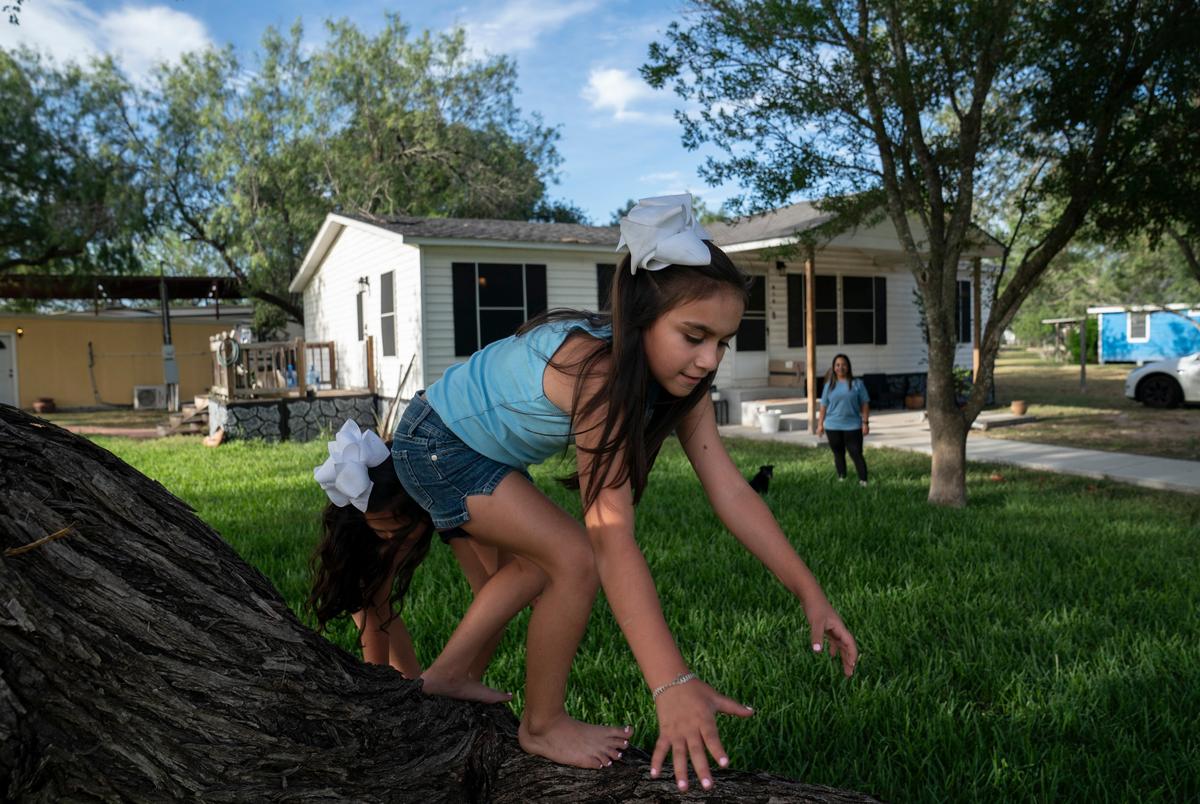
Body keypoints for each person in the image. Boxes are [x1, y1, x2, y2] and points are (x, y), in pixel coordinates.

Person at [390, 194, 858, 790]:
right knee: (574, 557)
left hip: (481, 446)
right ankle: (541, 724)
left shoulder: (677, 383)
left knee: (537, 566)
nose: (708, 359)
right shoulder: (600, 375)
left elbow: (733, 493)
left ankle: (449, 674)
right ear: (640, 317)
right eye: (694, 335)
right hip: (437, 441)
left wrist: (808, 590)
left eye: (723, 342)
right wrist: (672, 681)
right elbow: (612, 540)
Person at [309, 421, 544, 681]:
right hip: (464, 462)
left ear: (419, 508)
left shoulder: (454, 504)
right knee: (369, 592)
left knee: (507, 590)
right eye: (382, 534)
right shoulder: (377, 530)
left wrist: (466, 680)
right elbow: (374, 609)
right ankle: (409, 683)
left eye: (399, 535)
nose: (392, 543)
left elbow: (490, 599)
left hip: (488, 477)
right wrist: (381, 682)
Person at [816, 354, 871, 486]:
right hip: (832, 426)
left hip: (853, 426)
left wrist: (865, 422)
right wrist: (820, 425)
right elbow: (823, 406)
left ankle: (863, 481)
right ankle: (842, 478)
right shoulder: (828, 386)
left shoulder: (857, 384)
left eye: (844, 364)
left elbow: (865, 404)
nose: (841, 367)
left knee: (856, 453)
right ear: (834, 368)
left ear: (848, 367)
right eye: (838, 365)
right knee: (838, 453)